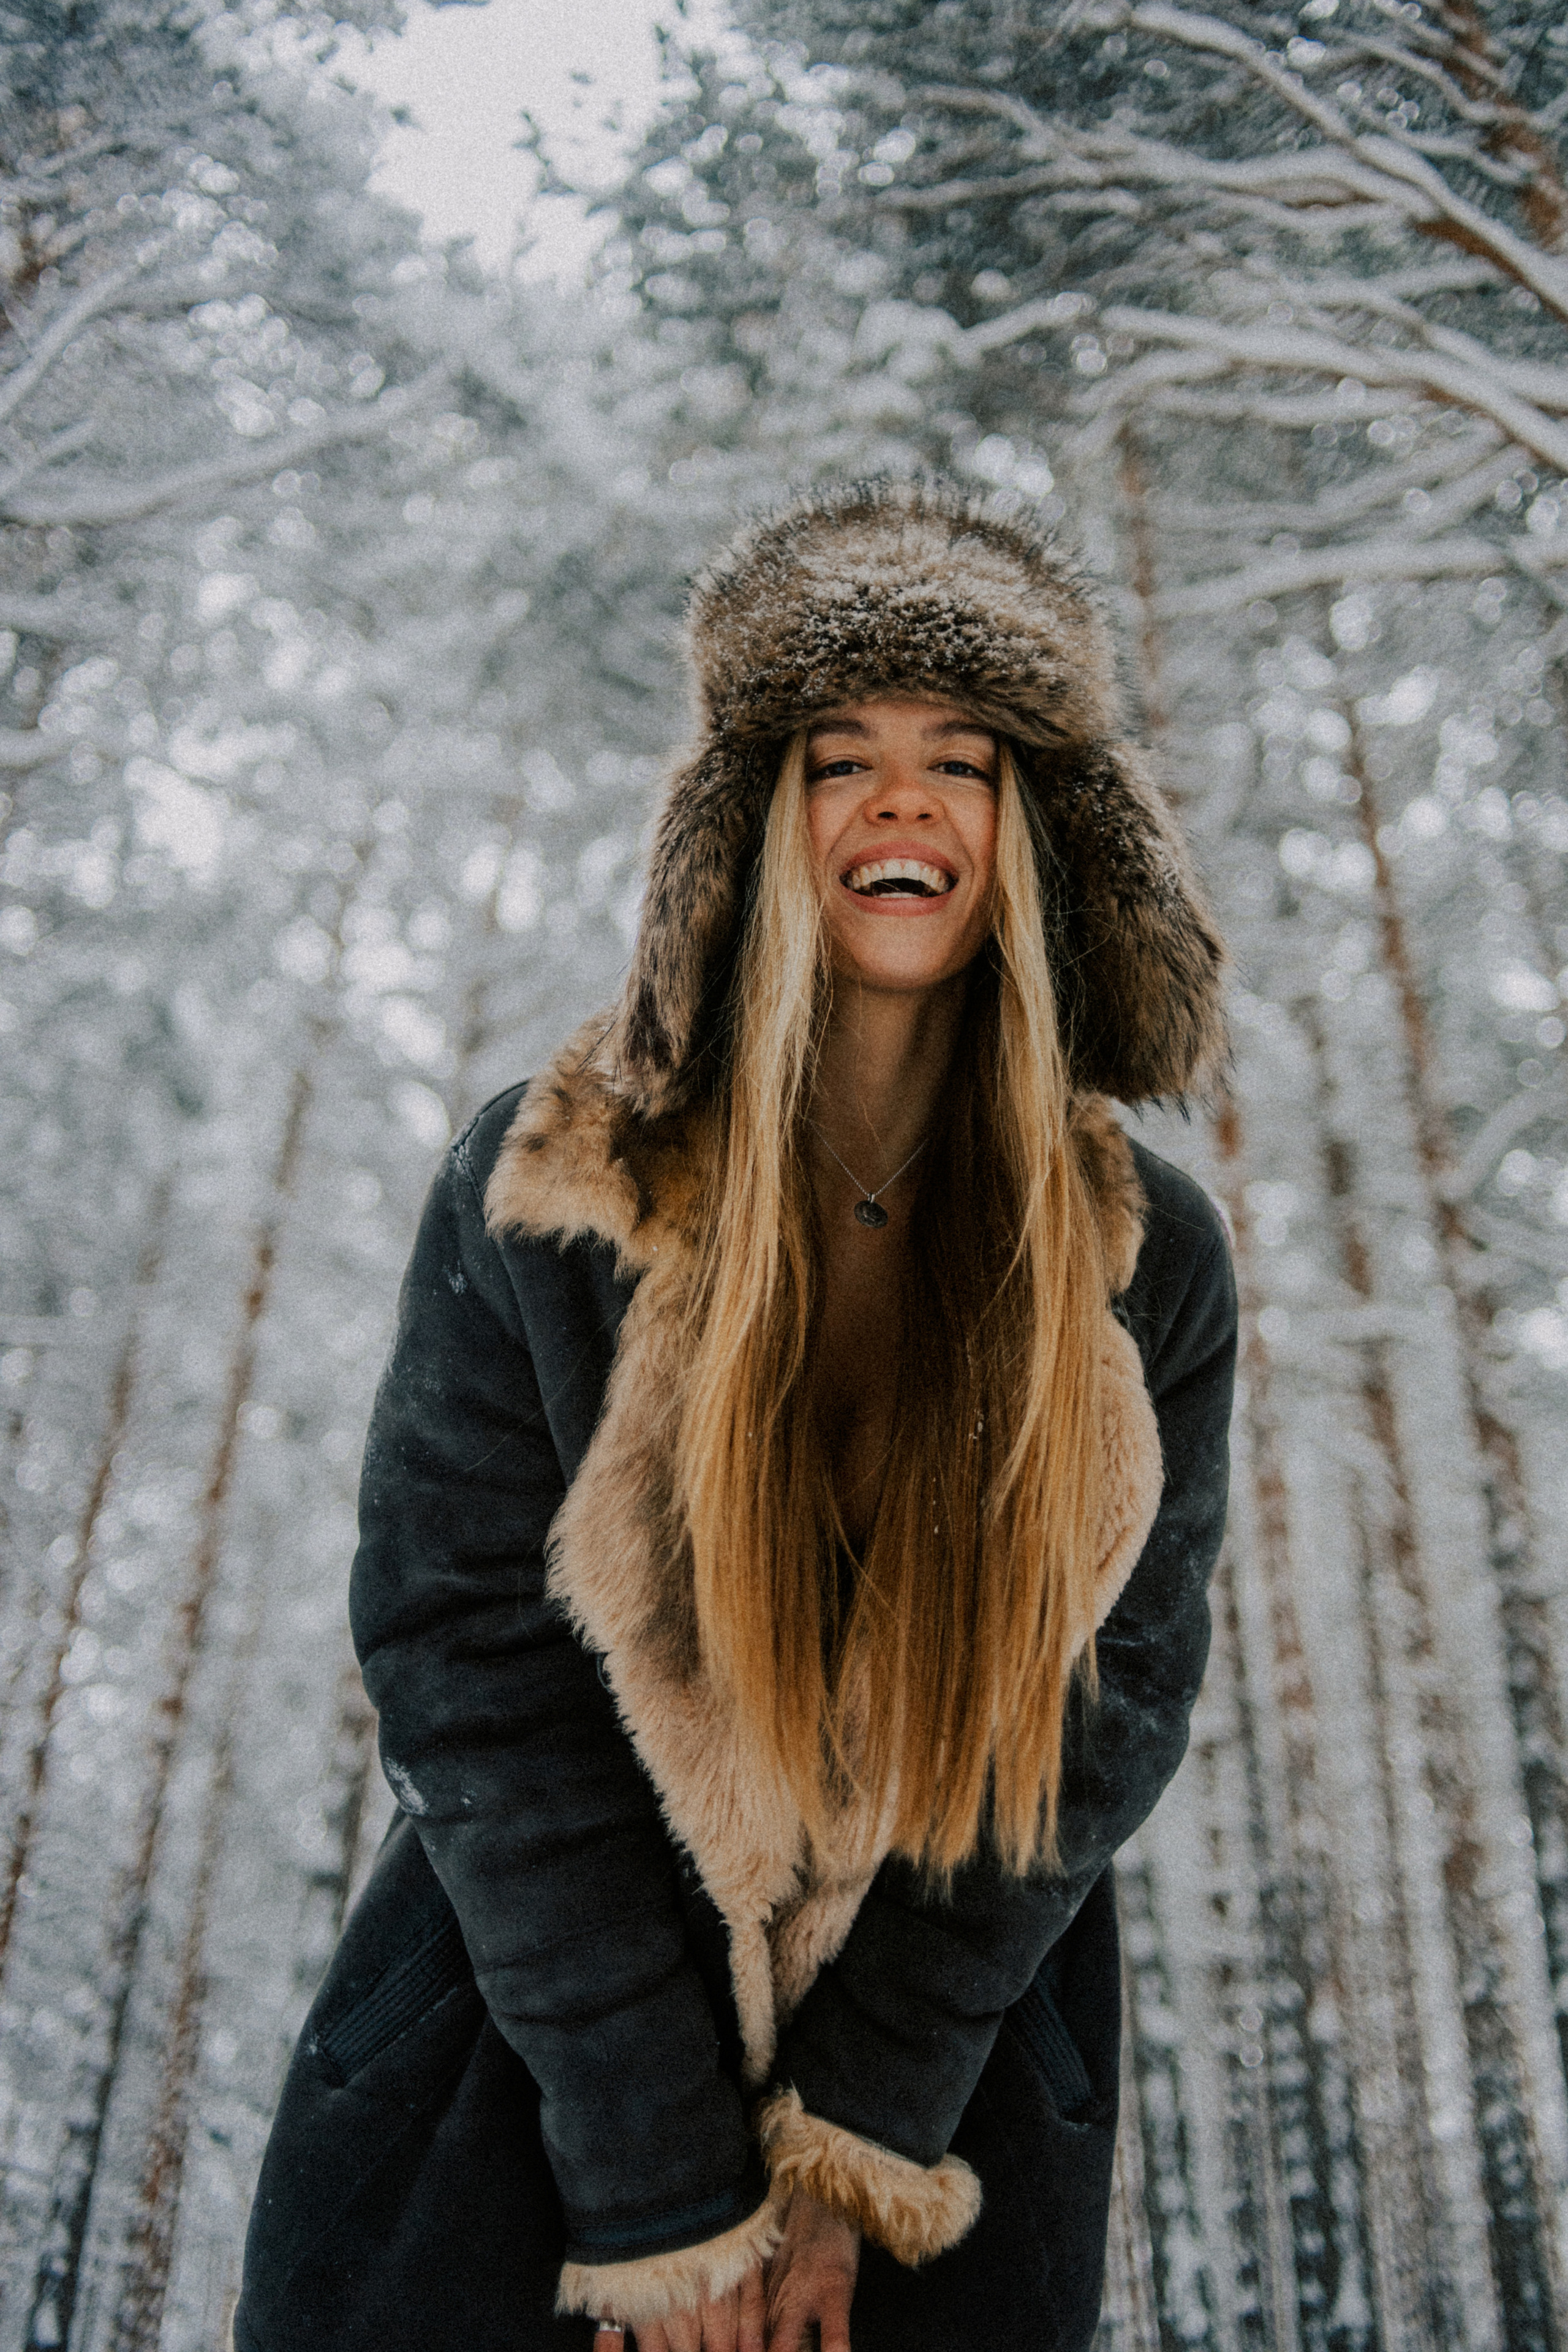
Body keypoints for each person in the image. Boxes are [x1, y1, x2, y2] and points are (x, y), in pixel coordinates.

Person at [233, 479, 1236, 2352]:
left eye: (966, 758)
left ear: (1041, 833)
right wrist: (664, 2187)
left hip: (945, 2120)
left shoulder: (1147, 1258)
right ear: (754, 825)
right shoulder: (552, 1182)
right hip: (518, 2081)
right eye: (837, 756)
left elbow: (1110, 1712)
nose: (902, 801)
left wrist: (856, 2138)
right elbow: (468, 1662)